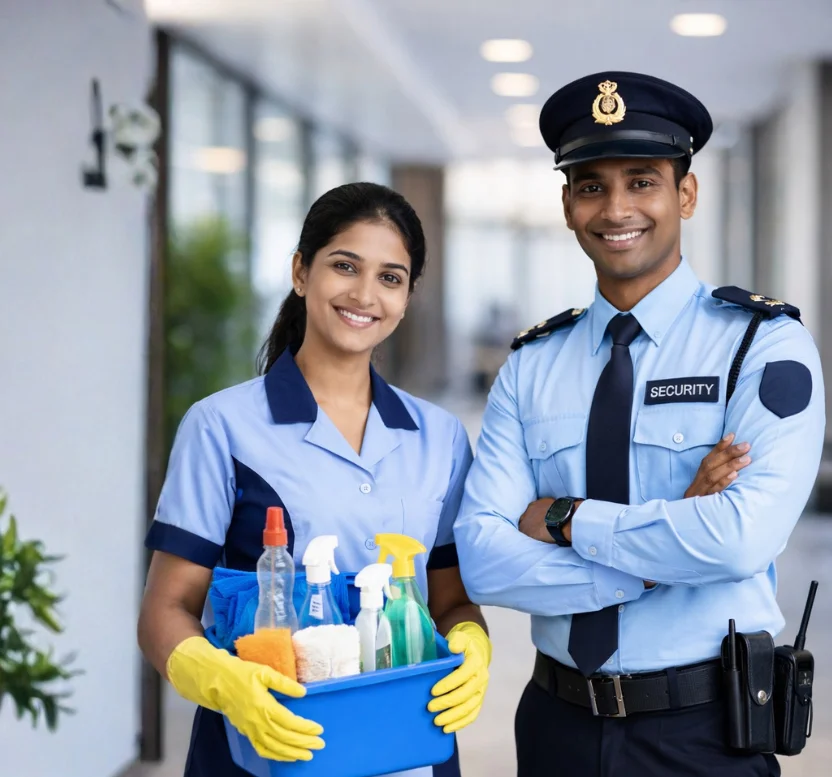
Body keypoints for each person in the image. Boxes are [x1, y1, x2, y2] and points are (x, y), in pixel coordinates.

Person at [453, 71, 824, 776]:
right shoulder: (533, 363)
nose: (616, 207)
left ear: (685, 193)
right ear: (567, 204)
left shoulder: (761, 345)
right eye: (591, 185)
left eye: (642, 180)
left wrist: (565, 517)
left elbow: (740, 538)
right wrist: (664, 547)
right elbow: (484, 558)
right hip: (554, 723)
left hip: (704, 731)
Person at [138, 182, 491, 777]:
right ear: (301, 272)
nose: (364, 294)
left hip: (409, 743)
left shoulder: (440, 437)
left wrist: (472, 643)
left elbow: (452, 599)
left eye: (390, 277)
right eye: (344, 266)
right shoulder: (223, 427)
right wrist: (222, 680)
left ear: (406, 298)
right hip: (267, 745)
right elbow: (164, 610)